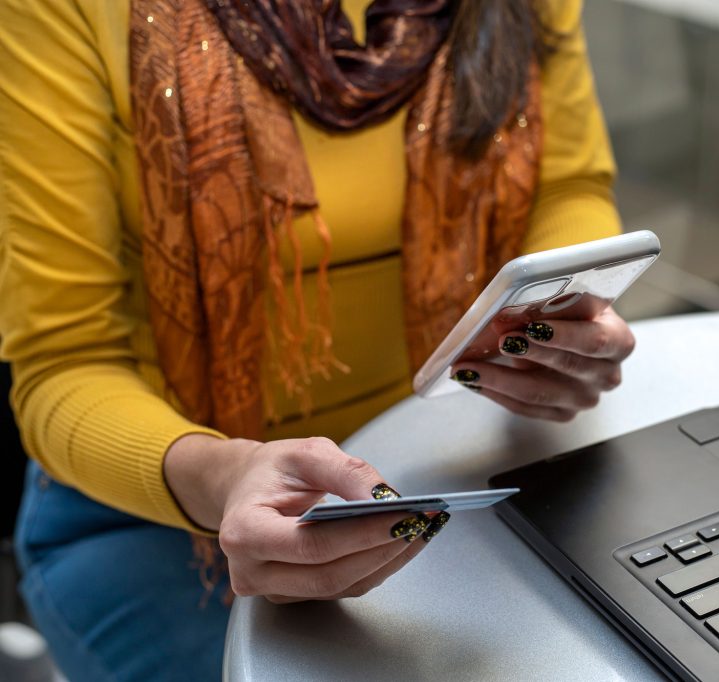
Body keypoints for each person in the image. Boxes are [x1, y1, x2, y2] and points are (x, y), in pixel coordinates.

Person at [0, 0, 633, 679]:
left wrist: (553, 315)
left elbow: (566, 184)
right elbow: (65, 363)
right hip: (162, 513)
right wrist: (225, 478)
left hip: (445, 464)